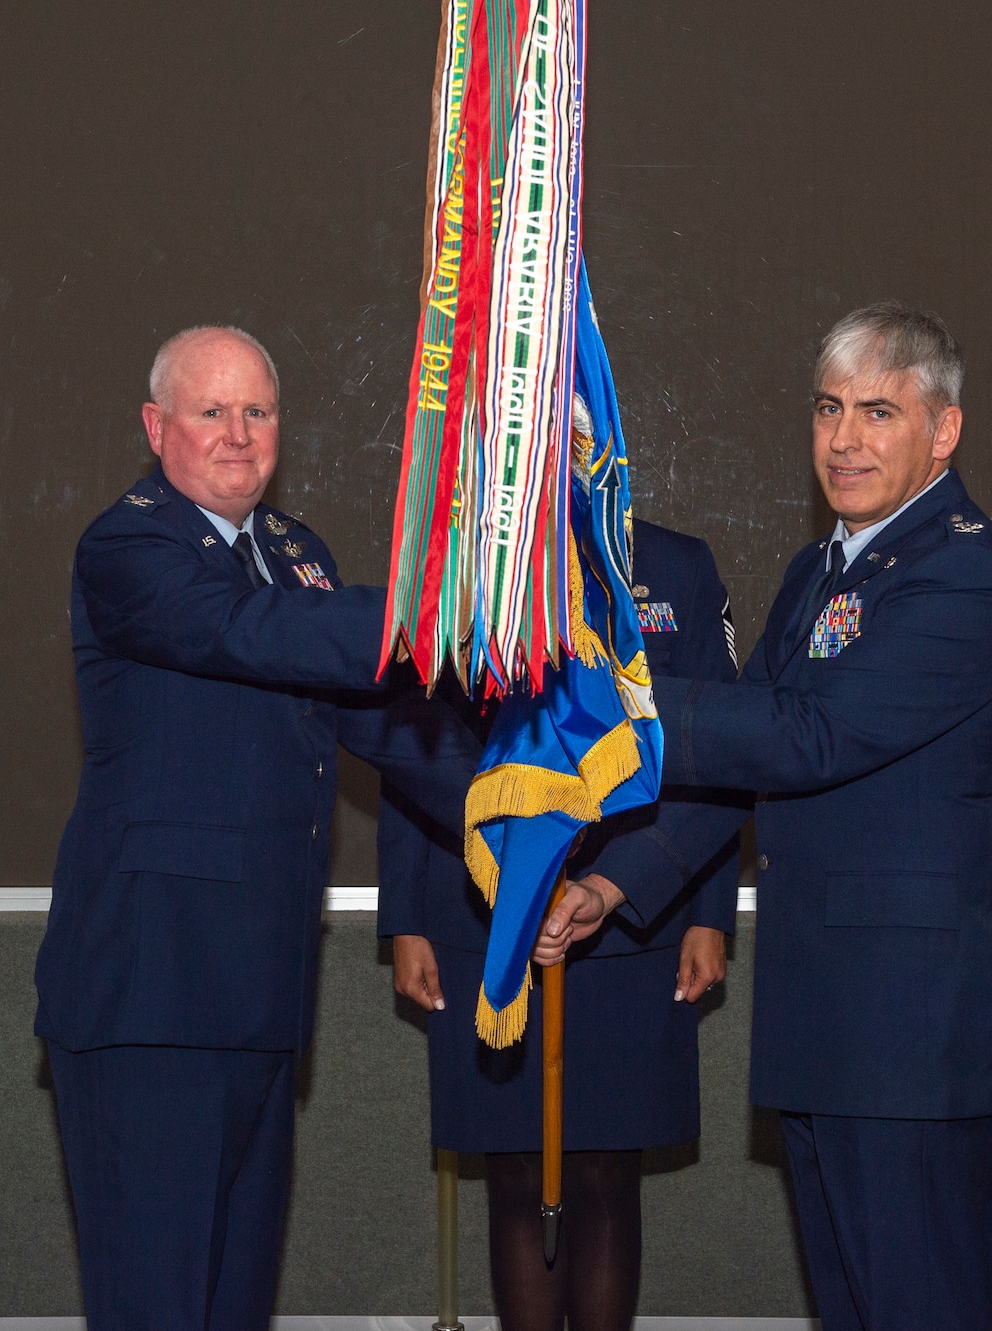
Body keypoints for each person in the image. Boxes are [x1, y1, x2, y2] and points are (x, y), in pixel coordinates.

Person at [532, 303, 992, 1331]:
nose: (843, 439)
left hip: (913, 1030)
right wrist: (613, 883)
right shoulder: (822, 570)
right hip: (826, 1016)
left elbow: (807, 736)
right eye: (826, 410)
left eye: (876, 412)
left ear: (941, 431)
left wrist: (617, 694)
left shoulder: (965, 577)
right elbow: (741, 770)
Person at [34, 325, 469, 1331]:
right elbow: (246, 631)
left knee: (233, 1304)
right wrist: (440, 610)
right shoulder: (129, 544)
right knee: (157, 1304)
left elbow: (383, 728)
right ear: (156, 426)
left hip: (262, 991)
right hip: (149, 990)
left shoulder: (295, 554)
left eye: (258, 411)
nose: (237, 433)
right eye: (210, 410)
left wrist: (522, 812)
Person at [380, 503, 745, 1331]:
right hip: (483, 912)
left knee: (607, 1173)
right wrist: (405, 915)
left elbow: (721, 748)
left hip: (635, 914)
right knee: (512, 1171)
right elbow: (409, 741)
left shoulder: (677, 563)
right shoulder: (457, 564)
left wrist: (709, 913)